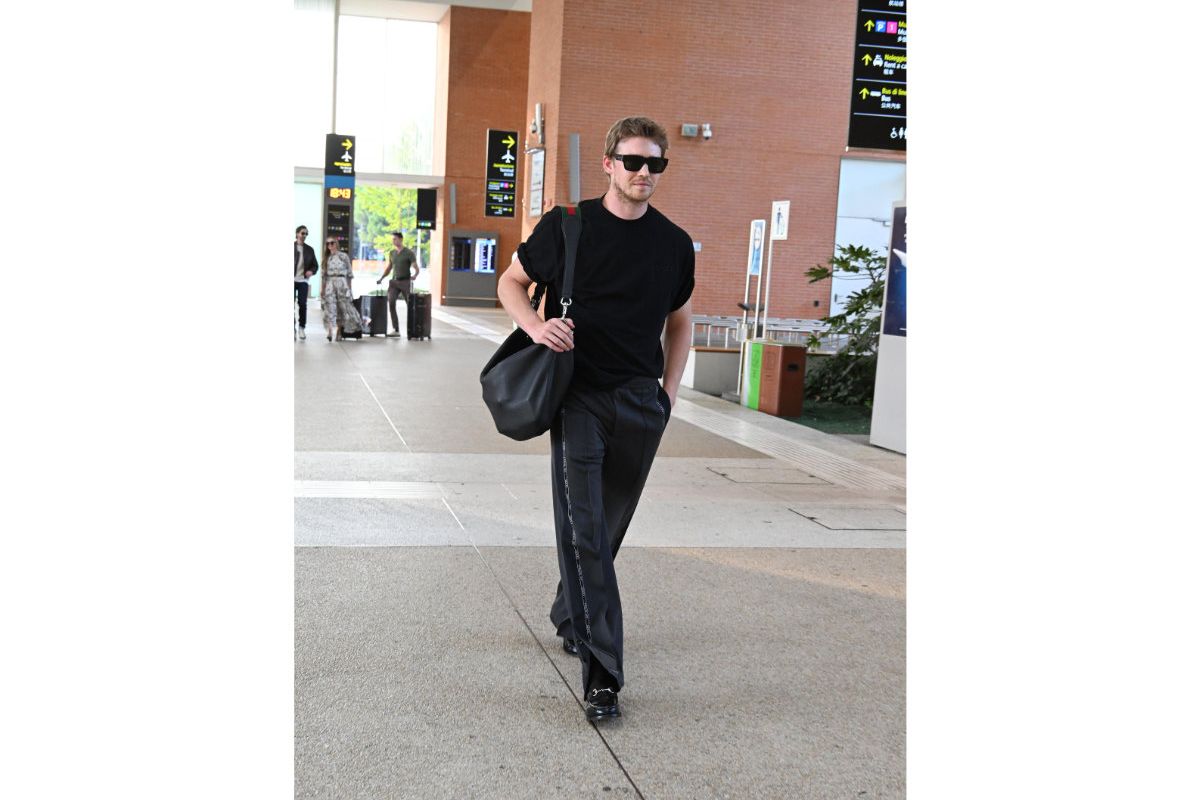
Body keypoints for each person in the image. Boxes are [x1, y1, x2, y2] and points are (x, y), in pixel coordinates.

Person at [496, 116, 694, 723]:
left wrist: (668, 390)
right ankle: (603, 673)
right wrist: (536, 325)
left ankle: (570, 612)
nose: (643, 174)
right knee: (583, 529)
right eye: (633, 162)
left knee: (607, 525)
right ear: (608, 163)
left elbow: (680, 319)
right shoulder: (568, 225)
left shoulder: (673, 243)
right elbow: (512, 281)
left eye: (654, 164)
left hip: (640, 401)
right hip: (578, 396)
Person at [376, 231, 420, 338]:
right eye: (392, 239)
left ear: (401, 239)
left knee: (410, 306)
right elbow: (389, 267)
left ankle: (413, 329)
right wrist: (381, 278)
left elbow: (416, 267)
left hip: (405, 282)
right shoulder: (392, 253)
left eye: (395, 239)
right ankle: (396, 329)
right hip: (394, 282)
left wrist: (415, 275)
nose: (393, 241)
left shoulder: (409, 253)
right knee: (391, 303)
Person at [320, 237, 363, 341]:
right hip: (330, 283)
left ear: (336, 243)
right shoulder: (326, 258)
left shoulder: (343, 256)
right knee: (330, 307)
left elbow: (349, 273)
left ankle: (339, 331)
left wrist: (349, 288)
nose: (330, 245)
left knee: (342, 308)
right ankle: (330, 332)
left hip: (342, 284)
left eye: (332, 243)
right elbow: (323, 275)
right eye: (328, 243)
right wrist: (322, 289)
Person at [294, 225, 318, 339]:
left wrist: (311, 271)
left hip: (303, 281)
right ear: (297, 234)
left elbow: (315, 266)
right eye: (302, 233)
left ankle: (301, 328)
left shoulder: (309, 249)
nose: (304, 236)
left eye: (306, 234)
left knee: (302, 304)